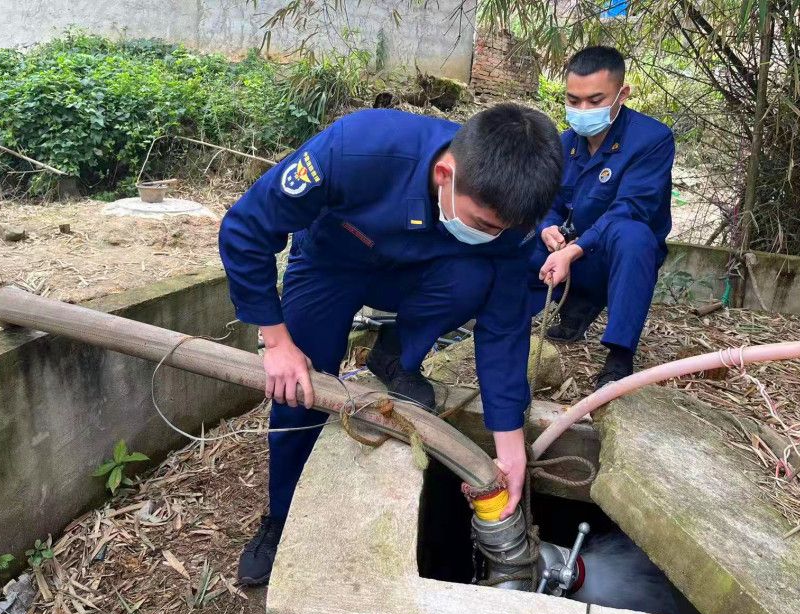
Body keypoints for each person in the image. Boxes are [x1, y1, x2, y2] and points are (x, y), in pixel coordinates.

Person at [219, 104, 564, 585]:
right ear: (445, 174)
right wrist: (275, 341)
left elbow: (504, 331)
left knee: (474, 276)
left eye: (504, 230)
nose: (495, 235)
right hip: (331, 264)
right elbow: (246, 228)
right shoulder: (361, 147)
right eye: (483, 224)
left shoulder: (507, 224)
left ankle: (396, 356)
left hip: (421, 272)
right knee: (299, 388)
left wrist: (510, 446)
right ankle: (280, 518)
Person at [532, 46, 675, 388]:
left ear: (621, 94)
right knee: (516, 234)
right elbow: (548, 200)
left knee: (633, 236)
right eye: (573, 100)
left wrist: (573, 250)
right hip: (572, 252)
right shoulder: (564, 143)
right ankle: (533, 312)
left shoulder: (651, 140)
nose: (582, 110)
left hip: (613, 253)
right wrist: (547, 226)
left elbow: (631, 208)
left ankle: (619, 354)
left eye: (595, 100)